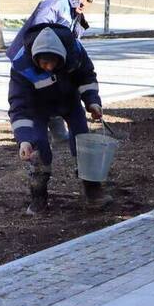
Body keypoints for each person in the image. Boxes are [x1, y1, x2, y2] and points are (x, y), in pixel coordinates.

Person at [7, 22, 112, 215]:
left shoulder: (75, 52)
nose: (48, 67)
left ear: (62, 57)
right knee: (38, 148)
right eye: (43, 63)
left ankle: (93, 192)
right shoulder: (21, 65)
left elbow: (87, 77)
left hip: (69, 101)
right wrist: (23, 140)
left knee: (84, 142)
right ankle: (38, 198)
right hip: (37, 108)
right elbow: (19, 105)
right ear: (34, 58)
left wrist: (92, 102)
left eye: (52, 62)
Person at [6, 0, 98, 146]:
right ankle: (44, 135)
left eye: (88, 0)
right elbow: (40, 31)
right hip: (34, 59)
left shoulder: (76, 14)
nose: (83, 1)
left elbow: (76, 50)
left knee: (57, 93)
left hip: (57, 61)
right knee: (35, 98)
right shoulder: (56, 3)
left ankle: (57, 134)